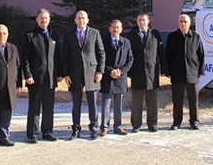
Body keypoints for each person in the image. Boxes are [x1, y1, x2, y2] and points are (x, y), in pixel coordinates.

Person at [61, 10, 105, 140]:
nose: (81, 20)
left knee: (93, 103)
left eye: (83, 18)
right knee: (76, 104)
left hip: (92, 73)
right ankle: (76, 129)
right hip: (74, 74)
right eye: (79, 18)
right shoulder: (69, 35)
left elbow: (101, 53)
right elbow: (65, 56)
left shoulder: (95, 33)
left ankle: (93, 128)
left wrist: (100, 71)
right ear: (75, 20)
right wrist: (66, 74)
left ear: (87, 20)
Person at [22, 8, 60, 144]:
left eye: (46, 18)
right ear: (37, 19)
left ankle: (47, 131)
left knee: (49, 107)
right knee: (34, 107)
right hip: (35, 78)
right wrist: (27, 75)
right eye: (41, 18)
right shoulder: (30, 35)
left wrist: (59, 74)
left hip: (50, 78)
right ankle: (32, 133)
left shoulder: (54, 35)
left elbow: (58, 56)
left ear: (49, 20)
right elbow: (25, 58)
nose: (44, 20)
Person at [126, 13, 166, 132]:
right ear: (137, 22)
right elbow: (128, 54)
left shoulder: (155, 34)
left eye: (144, 20)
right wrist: (128, 72)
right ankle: (136, 124)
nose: (141, 22)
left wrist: (164, 69)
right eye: (139, 20)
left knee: (152, 101)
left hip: (152, 72)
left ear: (148, 21)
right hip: (137, 72)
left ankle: (152, 123)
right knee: (137, 101)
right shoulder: (131, 35)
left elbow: (161, 52)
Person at [165, 14, 205, 130]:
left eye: (185, 22)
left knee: (193, 100)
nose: (183, 24)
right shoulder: (172, 37)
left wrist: (201, 70)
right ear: (178, 23)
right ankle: (177, 121)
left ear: (190, 23)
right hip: (177, 73)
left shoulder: (196, 37)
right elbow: (168, 55)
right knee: (177, 100)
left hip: (192, 73)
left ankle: (194, 121)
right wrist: (168, 72)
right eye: (181, 21)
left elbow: (201, 55)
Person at [99, 19, 134, 136]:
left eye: (118, 27)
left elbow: (130, 59)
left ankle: (118, 126)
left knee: (119, 105)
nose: (115, 29)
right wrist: (110, 71)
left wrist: (121, 71)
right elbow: (101, 59)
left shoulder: (126, 42)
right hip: (108, 77)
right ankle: (104, 127)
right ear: (109, 29)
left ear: (121, 29)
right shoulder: (103, 42)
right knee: (106, 104)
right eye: (113, 27)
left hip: (120, 77)